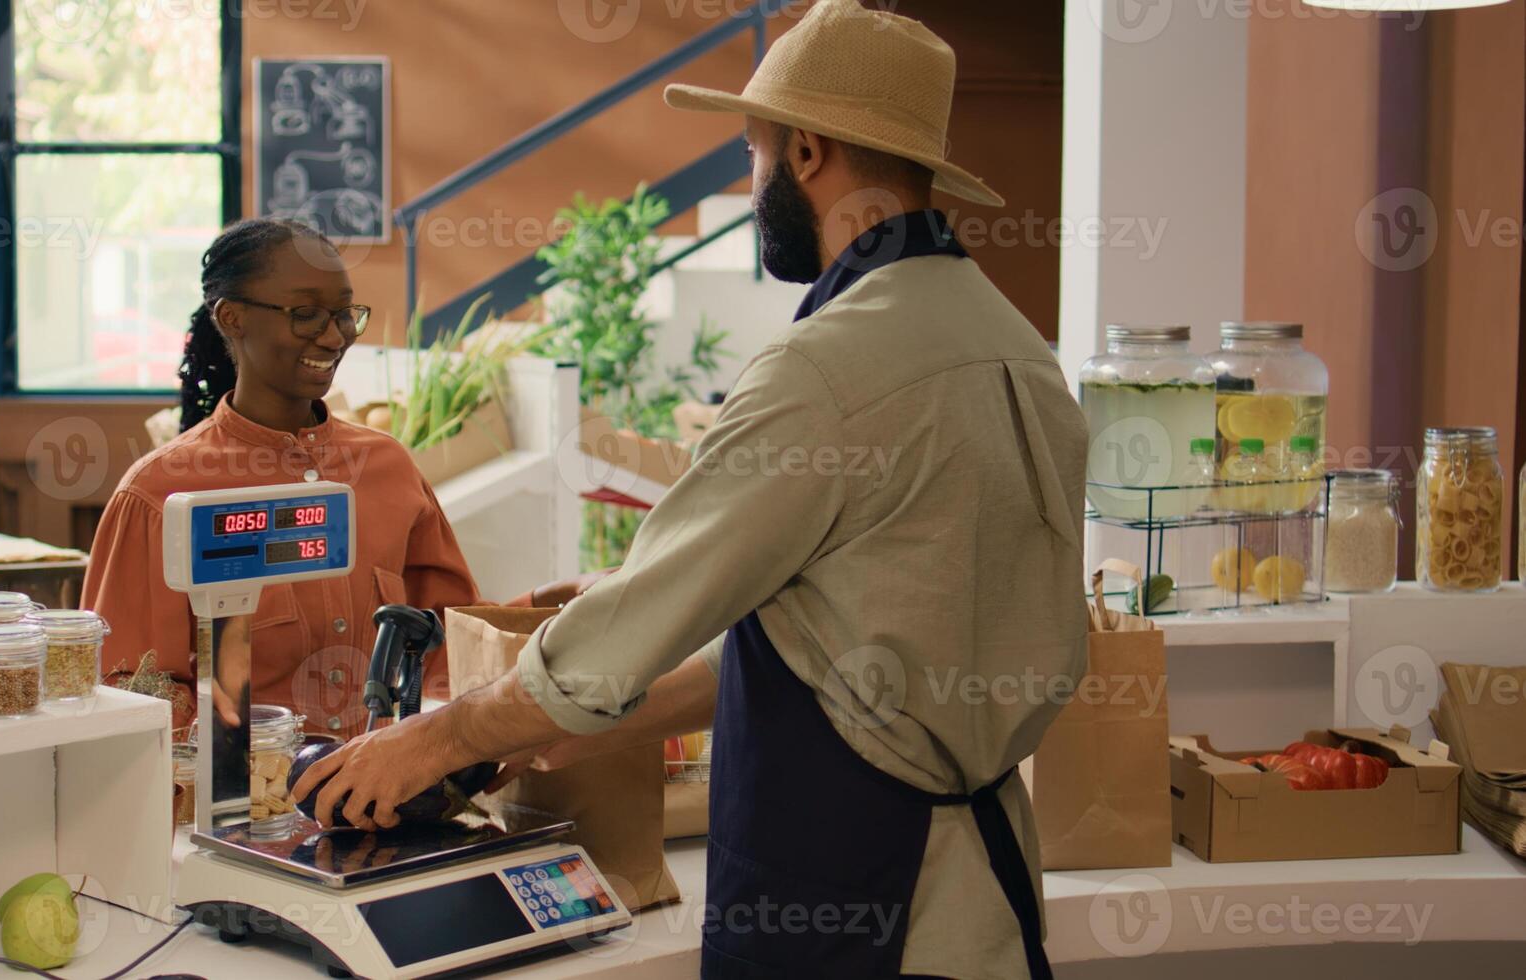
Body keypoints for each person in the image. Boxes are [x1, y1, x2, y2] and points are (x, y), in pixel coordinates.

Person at [291, 3, 1088, 978]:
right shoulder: (1018, 350)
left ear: (802, 152)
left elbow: (635, 619)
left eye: (750, 153)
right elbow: (832, 648)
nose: (751, 185)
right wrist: (577, 726)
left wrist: (437, 736)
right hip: (987, 907)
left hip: (849, 906)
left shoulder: (824, 369)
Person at [84, 218, 557, 737]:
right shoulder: (158, 492)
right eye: (306, 314)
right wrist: (249, 766)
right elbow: (125, 690)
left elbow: (452, 640)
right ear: (233, 317)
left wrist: (553, 603)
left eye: (344, 314)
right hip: (238, 811)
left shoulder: (388, 468)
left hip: (376, 802)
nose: (334, 337)